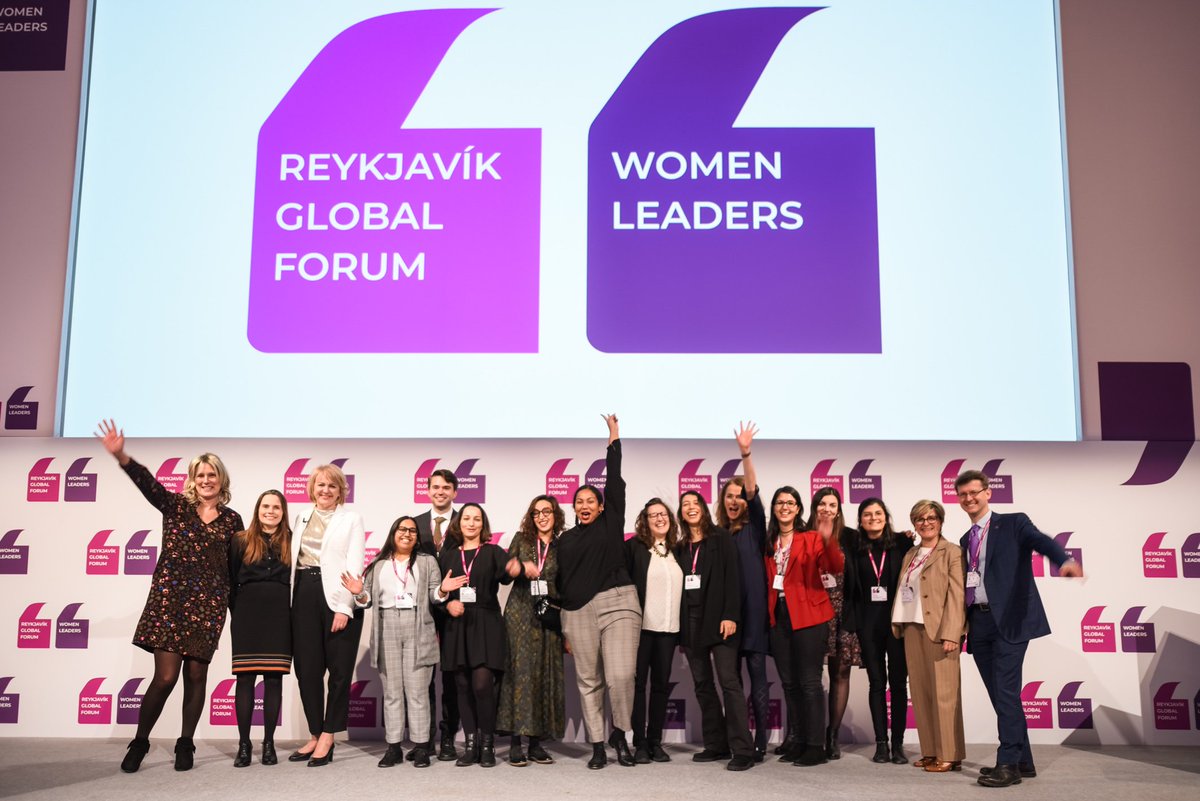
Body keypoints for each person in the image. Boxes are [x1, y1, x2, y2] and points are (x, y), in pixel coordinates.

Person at [96, 420, 244, 773]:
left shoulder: (233, 521)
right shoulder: (175, 506)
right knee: (164, 678)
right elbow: (147, 483)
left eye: (212, 475)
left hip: (208, 607)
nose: (206, 480)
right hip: (169, 602)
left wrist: (239, 613)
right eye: (200, 475)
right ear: (192, 479)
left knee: (196, 677)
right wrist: (121, 455)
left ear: (221, 480)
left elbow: (236, 569)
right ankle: (140, 742)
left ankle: (185, 743)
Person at [954, 470, 1082, 787]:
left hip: (1010, 621)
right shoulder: (964, 539)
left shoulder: (1013, 523)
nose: (969, 499)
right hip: (978, 622)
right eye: (963, 495)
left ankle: (1008, 763)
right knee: (1000, 695)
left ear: (987, 493)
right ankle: (1023, 760)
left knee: (1008, 693)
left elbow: (1042, 542)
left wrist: (1062, 560)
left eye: (974, 492)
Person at [554, 414, 642, 769]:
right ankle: (596, 745)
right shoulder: (565, 539)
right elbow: (558, 582)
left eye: (591, 500)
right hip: (577, 613)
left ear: (602, 505)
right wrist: (564, 624)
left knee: (620, 676)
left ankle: (621, 733)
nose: (585, 505)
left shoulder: (611, 521)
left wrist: (614, 438)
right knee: (588, 681)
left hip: (618, 602)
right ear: (573, 508)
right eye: (580, 502)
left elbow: (614, 479)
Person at [341, 515, 446, 768]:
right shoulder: (378, 565)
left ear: (417, 537)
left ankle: (421, 747)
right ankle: (393, 747)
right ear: (393, 533)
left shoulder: (427, 561)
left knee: (418, 692)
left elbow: (434, 595)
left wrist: (443, 590)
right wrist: (359, 593)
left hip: (418, 626)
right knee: (392, 693)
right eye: (402, 529)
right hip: (386, 625)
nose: (407, 534)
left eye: (412, 530)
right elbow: (366, 601)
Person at [288, 464, 365, 767]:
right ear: (312, 488)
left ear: (341, 491)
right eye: (320, 485)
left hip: (336, 597)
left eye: (332, 486)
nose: (325, 491)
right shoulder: (301, 517)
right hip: (303, 594)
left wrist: (345, 606)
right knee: (307, 671)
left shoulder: (351, 519)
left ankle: (329, 735)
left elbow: (354, 564)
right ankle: (314, 732)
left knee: (339, 672)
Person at [764, 486, 844, 767]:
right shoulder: (769, 541)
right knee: (789, 683)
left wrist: (827, 537)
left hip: (809, 615)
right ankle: (798, 741)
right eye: (779, 502)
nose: (785, 506)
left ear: (798, 509)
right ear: (774, 508)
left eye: (790, 502)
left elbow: (834, 566)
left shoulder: (811, 538)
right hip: (779, 616)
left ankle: (815, 745)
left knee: (809, 682)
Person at [676, 491, 755, 771]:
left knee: (729, 683)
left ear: (703, 508)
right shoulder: (680, 546)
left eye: (694, 503)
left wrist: (731, 615)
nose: (690, 508)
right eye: (685, 505)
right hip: (690, 622)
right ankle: (716, 743)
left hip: (720, 619)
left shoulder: (720, 538)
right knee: (702, 685)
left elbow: (734, 577)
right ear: (681, 513)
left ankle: (743, 749)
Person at [437, 503, 515, 768]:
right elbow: (435, 594)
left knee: (482, 685)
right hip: (456, 625)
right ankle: (470, 746)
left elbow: (506, 575)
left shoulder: (493, 552)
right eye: (466, 518)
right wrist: (446, 601)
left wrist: (515, 568)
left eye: (477, 519)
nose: (471, 523)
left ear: (483, 524)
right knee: (461, 686)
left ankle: (487, 744)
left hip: (486, 623)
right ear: (458, 524)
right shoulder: (447, 556)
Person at [891, 500, 965, 773]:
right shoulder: (910, 553)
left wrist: (952, 633)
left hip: (939, 631)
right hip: (911, 627)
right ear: (914, 523)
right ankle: (931, 751)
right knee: (921, 695)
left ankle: (950, 753)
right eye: (920, 519)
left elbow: (957, 596)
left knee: (945, 695)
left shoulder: (952, 552)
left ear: (941, 520)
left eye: (931, 517)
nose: (926, 523)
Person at [715, 422, 770, 762]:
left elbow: (752, 490)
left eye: (739, 496)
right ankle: (738, 740)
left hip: (755, 614)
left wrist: (745, 454)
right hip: (726, 616)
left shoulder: (756, 526)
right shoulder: (718, 533)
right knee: (731, 682)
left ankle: (762, 741)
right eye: (729, 496)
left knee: (759, 679)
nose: (735, 500)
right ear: (722, 501)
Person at [497, 495, 567, 766]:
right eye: (536, 512)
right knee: (520, 676)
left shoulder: (563, 546)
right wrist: (514, 568)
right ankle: (516, 742)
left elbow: (568, 582)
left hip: (549, 617)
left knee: (542, 676)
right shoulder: (522, 540)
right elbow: (504, 575)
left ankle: (536, 743)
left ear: (555, 514)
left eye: (546, 511)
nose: (541, 516)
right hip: (520, 614)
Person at [843, 498, 912, 765]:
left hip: (896, 624)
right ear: (860, 519)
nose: (873, 518)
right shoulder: (853, 546)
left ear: (886, 516)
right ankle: (881, 744)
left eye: (878, 513)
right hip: (867, 625)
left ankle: (898, 745)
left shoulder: (902, 543)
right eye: (867, 514)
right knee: (876, 684)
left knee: (897, 684)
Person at [228, 490, 293, 768]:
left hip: (280, 616)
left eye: (276, 507)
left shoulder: (293, 539)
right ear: (258, 509)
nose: (271, 511)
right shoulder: (240, 540)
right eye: (266, 506)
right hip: (246, 615)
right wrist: (237, 613)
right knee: (245, 680)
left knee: (274, 680)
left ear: (283, 511)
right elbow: (230, 580)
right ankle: (244, 744)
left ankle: (269, 743)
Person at [625, 498, 683, 764]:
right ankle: (638, 742)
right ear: (644, 521)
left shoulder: (678, 551)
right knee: (637, 686)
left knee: (660, 687)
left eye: (663, 514)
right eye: (652, 515)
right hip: (641, 629)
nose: (659, 518)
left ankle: (655, 741)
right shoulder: (635, 549)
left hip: (669, 630)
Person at [806, 487, 859, 760]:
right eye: (822, 504)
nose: (827, 508)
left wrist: (905, 537)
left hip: (843, 614)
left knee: (841, 674)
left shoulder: (850, 537)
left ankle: (833, 734)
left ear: (839, 509)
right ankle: (808, 734)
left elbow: (881, 543)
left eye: (832, 504)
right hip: (812, 614)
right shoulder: (803, 534)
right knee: (809, 678)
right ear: (814, 507)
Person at [414, 468, 460, 760]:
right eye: (435, 487)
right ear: (428, 490)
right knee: (424, 677)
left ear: (455, 491)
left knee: (453, 676)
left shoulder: (467, 520)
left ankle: (448, 738)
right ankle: (425, 739)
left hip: (457, 608)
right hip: (424, 609)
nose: (440, 492)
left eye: (446, 487)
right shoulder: (415, 524)